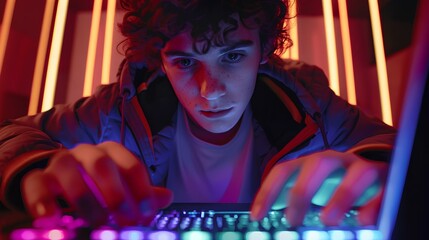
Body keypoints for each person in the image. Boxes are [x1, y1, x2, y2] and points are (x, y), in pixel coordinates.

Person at [0, 0, 395, 227]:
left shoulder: (309, 100)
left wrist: (377, 166)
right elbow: (9, 135)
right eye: (186, 63)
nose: (211, 90)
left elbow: (399, 146)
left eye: (233, 56)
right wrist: (36, 166)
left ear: (265, 52)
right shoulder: (118, 107)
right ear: (160, 61)